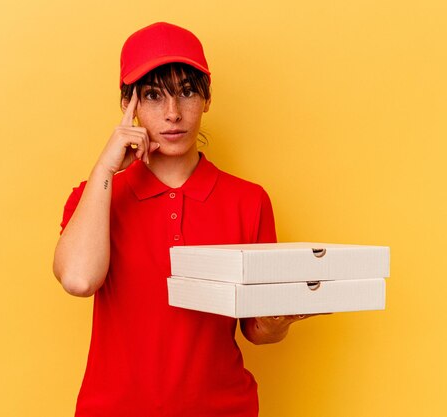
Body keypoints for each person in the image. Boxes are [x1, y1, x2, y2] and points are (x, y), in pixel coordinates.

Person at [53, 22, 314, 417]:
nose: (173, 114)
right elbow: (78, 279)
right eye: (154, 96)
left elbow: (257, 330)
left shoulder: (249, 201)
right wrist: (105, 170)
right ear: (130, 104)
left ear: (207, 99)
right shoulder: (96, 196)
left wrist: (281, 317)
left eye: (187, 92)